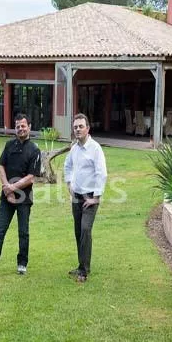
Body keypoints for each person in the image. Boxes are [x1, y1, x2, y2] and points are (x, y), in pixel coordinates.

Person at [0, 113, 41, 276]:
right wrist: (6, 188)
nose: (20, 129)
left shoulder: (34, 150)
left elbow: (31, 177)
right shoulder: (9, 145)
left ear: (29, 127)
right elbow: (1, 167)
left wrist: (12, 188)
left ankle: (22, 263)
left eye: (23, 126)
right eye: (17, 126)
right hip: (6, 198)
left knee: (23, 232)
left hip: (24, 198)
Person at [63, 113, 107, 283]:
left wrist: (96, 197)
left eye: (81, 126)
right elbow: (67, 166)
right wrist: (69, 184)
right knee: (78, 232)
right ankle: (81, 265)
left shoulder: (95, 148)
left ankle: (84, 270)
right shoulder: (74, 148)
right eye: (75, 127)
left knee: (85, 230)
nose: (78, 129)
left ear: (88, 128)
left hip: (90, 199)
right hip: (77, 197)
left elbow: (102, 173)